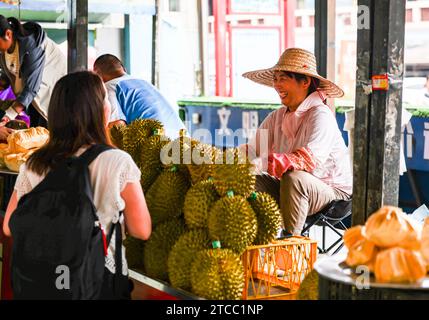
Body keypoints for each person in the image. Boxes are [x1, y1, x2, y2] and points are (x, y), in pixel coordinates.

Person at [2, 71, 152, 297]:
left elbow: (8, 226)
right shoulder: (118, 161)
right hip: (98, 283)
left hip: (43, 285)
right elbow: (141, 230)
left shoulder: (34, 164)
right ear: (101, 111)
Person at [242, 48, 352, 236]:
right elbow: (251, 150)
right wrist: (220, 162)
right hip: (289, 188)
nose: (277, 85)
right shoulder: (276, 117)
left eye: (283, 78)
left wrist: (271, 162)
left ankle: (289, 244)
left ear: (305, 82)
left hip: (334, 196)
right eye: (275, 79)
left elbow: (309, 161)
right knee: (246, 180)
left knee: (294, 177)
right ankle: (255, 239)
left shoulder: (320, 115)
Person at [93, 54, 185, 139]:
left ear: (98, 76)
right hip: (184, 143)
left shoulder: (110, 87)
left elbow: (116, 128)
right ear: (124, 69)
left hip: (159, 148)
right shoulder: (144, 83)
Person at [0, 16, 67, 128]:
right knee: (36, 132)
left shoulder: (31, 44)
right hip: (33, 99)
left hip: (50, 95)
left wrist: (8, 115)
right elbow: (10, 75)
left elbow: (31, 88)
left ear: (8, 34)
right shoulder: (4, 50)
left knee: (48, 132)